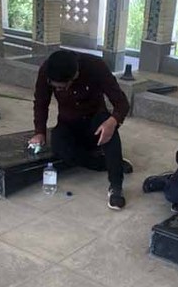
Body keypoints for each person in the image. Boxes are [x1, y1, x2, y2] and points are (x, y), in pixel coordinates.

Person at [29, 50, 132, 210]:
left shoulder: (96, 66)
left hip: (95, 123)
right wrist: (39, 132)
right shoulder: (47, 70)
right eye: (56, 87)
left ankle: (116, 187)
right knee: (60, 148)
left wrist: (113, 121)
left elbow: (121, 103)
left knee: (107, 127)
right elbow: (41, 102)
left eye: (62, 87)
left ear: (75, 75)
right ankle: (106, 163)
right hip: (69, 123)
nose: (59, 90)